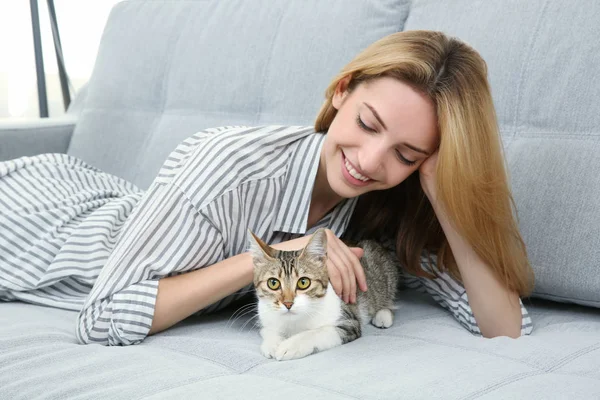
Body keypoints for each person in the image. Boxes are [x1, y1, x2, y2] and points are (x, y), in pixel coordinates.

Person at [0, 30, 534, 346]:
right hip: (34, 218)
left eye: (406, 153)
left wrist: (441, 192)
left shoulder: (391, 204)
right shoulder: (229, 165)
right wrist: (274, 257)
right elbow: (103, 318)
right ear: (343, 91)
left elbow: (505, 329)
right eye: (368, 124)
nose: (370, 162)